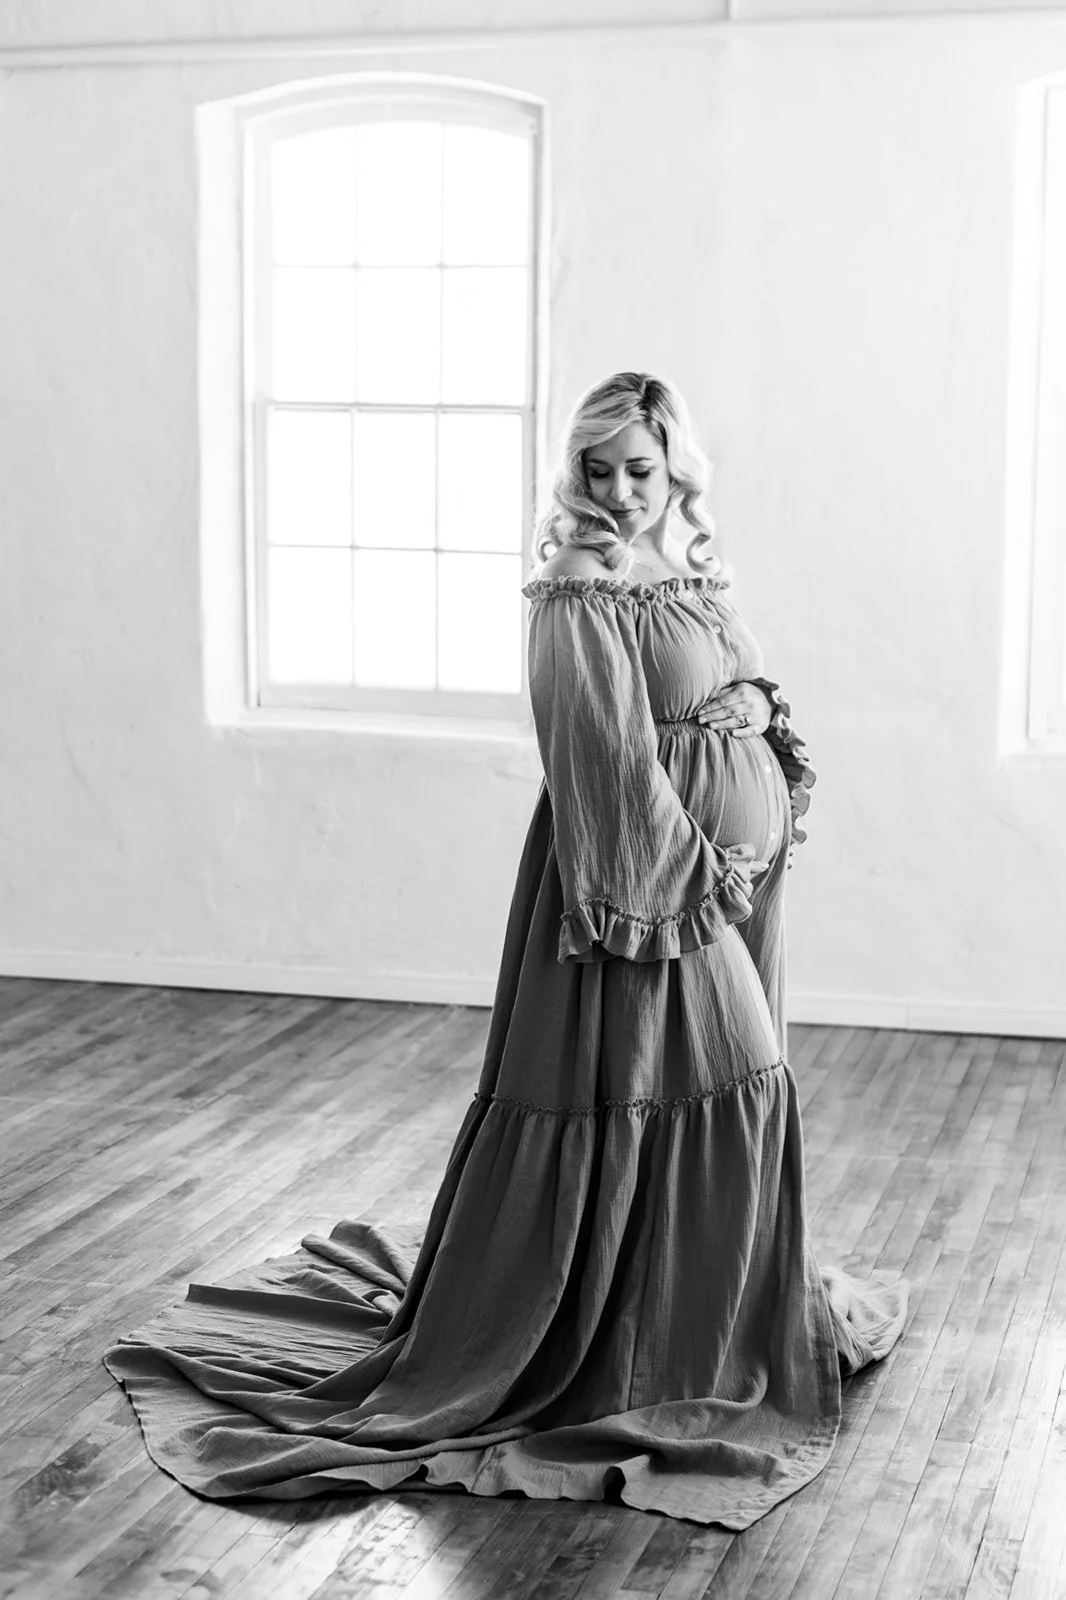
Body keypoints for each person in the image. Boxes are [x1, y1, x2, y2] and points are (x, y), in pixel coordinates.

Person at [104, 370, 907, 1528]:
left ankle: (703, 1324)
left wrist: (750, 717)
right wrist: (682, 880)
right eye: (600, 469)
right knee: (717, 1082)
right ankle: (622, 1347)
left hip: (721, 882)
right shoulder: (572, 586)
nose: (622, 491)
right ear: (572, 474)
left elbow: (731, 684)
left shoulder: (688, 570)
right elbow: (599, 762)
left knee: (735, 1081)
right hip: (634, 889)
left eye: (642, 468)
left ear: (678, 467)